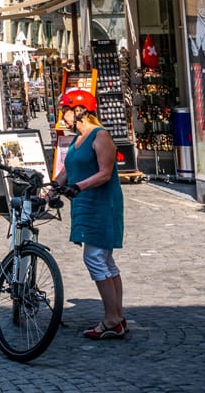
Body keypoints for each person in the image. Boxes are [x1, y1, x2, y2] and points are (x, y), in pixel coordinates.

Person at [53, 89, 127, 339]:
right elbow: (67, 170)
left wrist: (78, 187)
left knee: (95, 258)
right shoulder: (78, 139)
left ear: (80, 111)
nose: (62, 116)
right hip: (85, 204)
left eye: (65, 111)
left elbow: (105, 173)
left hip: (102, 204)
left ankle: (111, 320)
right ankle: (118, 317)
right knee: (104, 259)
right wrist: (51, 189)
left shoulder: (100, 135)